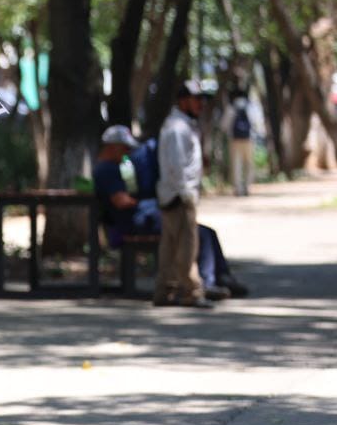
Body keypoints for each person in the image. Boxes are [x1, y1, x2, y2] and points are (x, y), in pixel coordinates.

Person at [93, 125, 248, 299]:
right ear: (113, 147)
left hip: (142, 217)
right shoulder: (107, 170)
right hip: (136, 222)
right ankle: (207, 282)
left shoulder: (116, 167)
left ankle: (222, 277)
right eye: (125, 148)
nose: (127, 152)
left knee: (207, 232)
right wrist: (150, 201)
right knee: (198, 234)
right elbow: (121, 201)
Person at [156, 81, 212, 308]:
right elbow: (176, 165)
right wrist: (185, 191)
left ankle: (165, 290)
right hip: (179, 195)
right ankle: (191, 291)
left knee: (170, 244)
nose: (200, 104)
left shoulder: (182, 125)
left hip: (176, 192)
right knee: (187, 247)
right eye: (196, 99)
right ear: (183, 101)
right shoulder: (177, 128)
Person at [225, 91, 254, 197]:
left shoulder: (231, 108)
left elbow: (224, 125)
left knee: (236, 164)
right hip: (249, 140)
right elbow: (256, 123)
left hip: (235, 140)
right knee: (248, 164)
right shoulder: (250, 106)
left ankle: (238, 188)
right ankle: (247, 187)